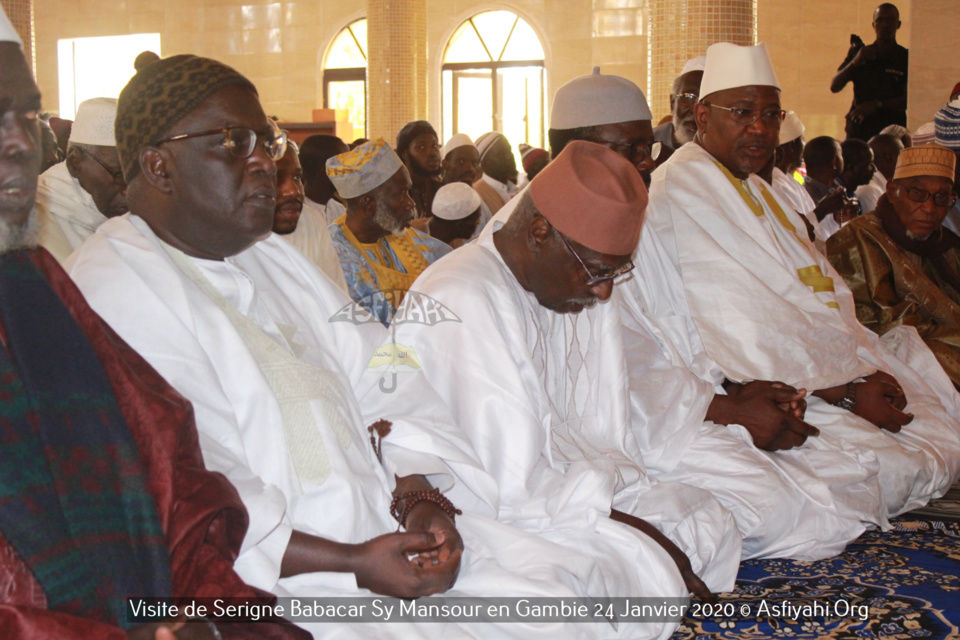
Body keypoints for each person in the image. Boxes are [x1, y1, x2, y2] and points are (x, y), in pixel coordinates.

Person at [66, 54, 695, 640]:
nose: (265, 163)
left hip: (382, 535)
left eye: (269, 141)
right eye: (235, 143)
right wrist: (353, 562)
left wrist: (419, 496)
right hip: (284, 582)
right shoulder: (113, 286)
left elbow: (385, 363)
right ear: (157, 166)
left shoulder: (274, 262)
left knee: (615, 575)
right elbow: (191, 493)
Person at [0, 17, 305, 640]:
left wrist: (213, 611)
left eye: (27, 117)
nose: (18, 144)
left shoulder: (33, 289)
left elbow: (171, 479)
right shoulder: (108, 274)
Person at [396, 140, 739, 600]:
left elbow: (598, 434)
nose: (602, 296)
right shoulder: (462, 297)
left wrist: (627, 516)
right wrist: (638, 532)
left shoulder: (559, 279)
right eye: (598, 273)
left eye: (615, 275)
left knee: (709, 521)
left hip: (567, 493)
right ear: (539, 233)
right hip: (484, 510)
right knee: (575, 593)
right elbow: (508, 486)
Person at [636, 41, 960, 525]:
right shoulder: (685, 187)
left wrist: (863, 365)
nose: (760, 128)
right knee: (879, 475)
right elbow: (743, 325)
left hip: (824, 366)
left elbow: (821, 290)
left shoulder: (755, 186)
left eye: (771, 114)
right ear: (702, 116)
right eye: (742, 112)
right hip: (766, 383)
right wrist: (845, 391)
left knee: (938, 435)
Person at [828, 145, 960, 388]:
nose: (930, 208)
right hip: (891, 362)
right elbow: (880, 330)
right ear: (892, 191)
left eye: (942, 197)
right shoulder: (855, 241)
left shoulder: (945, 245)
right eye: (917, 193)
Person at [327, 139, 452, 325]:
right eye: (402, 193)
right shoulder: (334, 255)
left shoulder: (403, 236)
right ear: (369, 204)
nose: (411, 204)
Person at [35, 97, 127, 262]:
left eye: (137, 175)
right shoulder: (32, 215)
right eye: (118, 174)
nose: (129, 189)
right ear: (75, 162)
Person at [548, 67, 659, 186]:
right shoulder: (538, 203)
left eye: (649, 147)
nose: (649, 163)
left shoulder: (646, 202)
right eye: (632, 148)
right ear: (578, 154)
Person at [270, 140, 347, 291]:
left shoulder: (312, 221)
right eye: (277, 178)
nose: (294, 191)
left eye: (297, 177)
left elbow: (336, 298)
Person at [830, 3, 908, 141]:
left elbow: (908, 101)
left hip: (891, 135)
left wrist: (877, 105)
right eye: (880, 20)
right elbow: (835, 86)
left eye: (890, 20)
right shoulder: (859, 53)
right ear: (874, 25)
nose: (884, 24)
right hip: (859, 132)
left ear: (898, 24)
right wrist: (856, 61)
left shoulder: (906, 58)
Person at [652, 56, 705, 166]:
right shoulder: (649, 142)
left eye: (705, 100)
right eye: (688, 97)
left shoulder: (724, 152)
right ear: (672, 103)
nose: (695, 109)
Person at [803, 136, 859, 238]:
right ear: (833, 161)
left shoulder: (836, 189)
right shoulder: (807, 195)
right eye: (841, 155)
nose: (843, 160)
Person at [410, 181, 481, 248]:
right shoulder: (410, 236)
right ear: (458, 224)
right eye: (475, 219)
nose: (478, 222)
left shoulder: (456, 242)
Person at [298, 133, 348, 225]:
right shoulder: (297, 214)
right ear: (324, 172)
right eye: (343, 165)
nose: (348, 171)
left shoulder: (338, 209)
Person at [395, 120, 441, 218]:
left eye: (435, 145)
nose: (432, 152)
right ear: (405, 154)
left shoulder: (440, 191)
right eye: (422, 147)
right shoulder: (395, 194)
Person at [473, 131, 519, 218]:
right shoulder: (477, 197)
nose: (509, 156)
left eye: (509, 150)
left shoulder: (516, 190)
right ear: (484, 163)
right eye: (501, 154)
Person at [856, 133, 904, 214]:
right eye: (903, 156)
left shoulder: (881, 186)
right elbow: (875, 225)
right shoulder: (869, 190)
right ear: (889, 157)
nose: (905, 162)